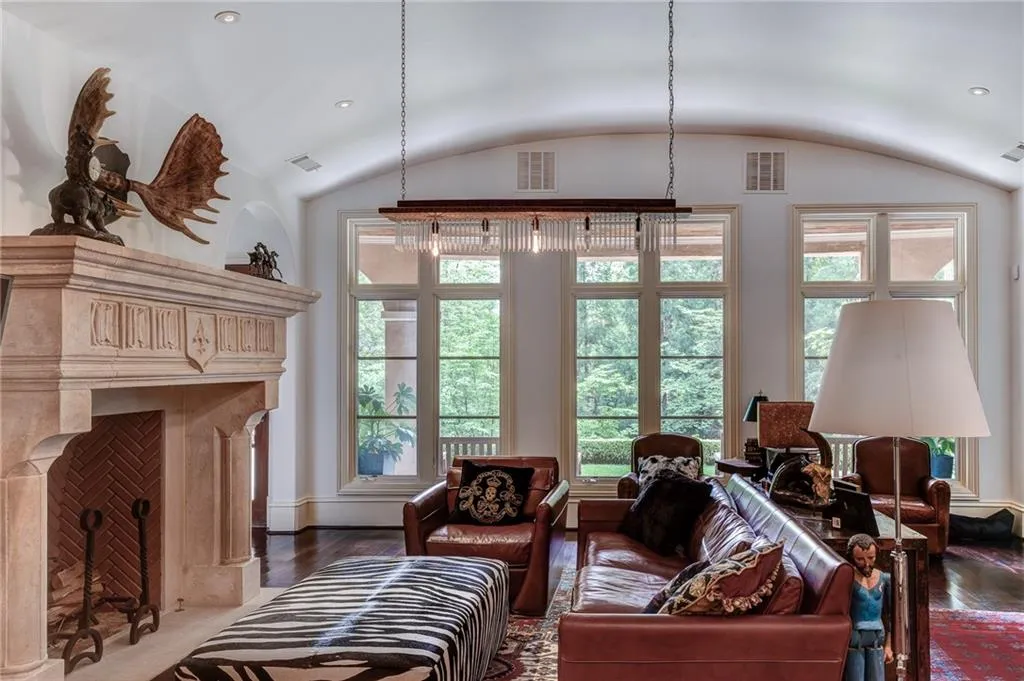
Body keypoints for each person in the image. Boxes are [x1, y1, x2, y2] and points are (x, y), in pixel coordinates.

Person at [844, 534, 892, 681]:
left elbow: (890, 613)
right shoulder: (848, 579)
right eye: (860, 559)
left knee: (877, 676)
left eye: (871, 558)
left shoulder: (884, 579)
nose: (866, 564)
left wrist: (889, 645)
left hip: (877, 636)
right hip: (855, 638)